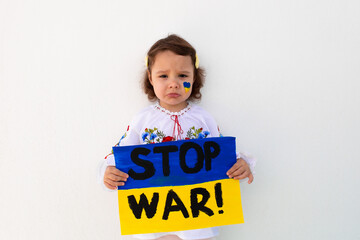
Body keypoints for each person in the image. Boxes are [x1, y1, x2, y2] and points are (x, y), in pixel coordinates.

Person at [99, 34, 256, 240]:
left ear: (193, 78)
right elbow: (121, 153)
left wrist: (242, 164)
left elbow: (221, 153)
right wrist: (108, 171)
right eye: (163, 76)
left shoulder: (203, 119)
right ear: (150, 77)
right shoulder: (142, 120)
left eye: (183, 76)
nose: (173, 83)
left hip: (198, 220)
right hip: (154, 221)